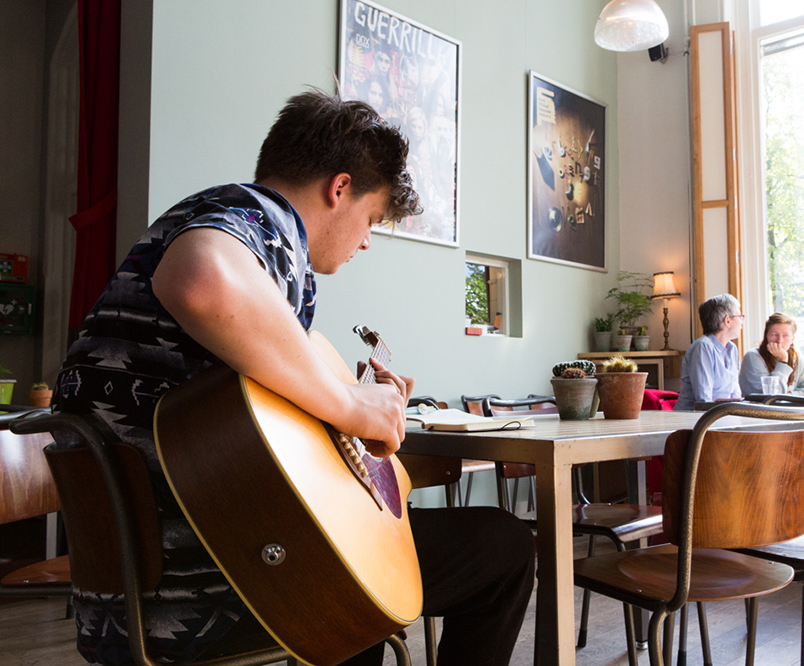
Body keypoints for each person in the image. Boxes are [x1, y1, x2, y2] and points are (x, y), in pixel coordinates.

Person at [53, 90, 534, 666]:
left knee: (365, 580)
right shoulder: (261, 217)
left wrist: (345, 401)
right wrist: (352, 408)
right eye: (372, 218)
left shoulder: (184, 228)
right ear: (339, 188)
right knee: (505, 546)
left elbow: (242, 424)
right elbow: (201, 279)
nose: (365, 241)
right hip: (217, 588)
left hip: (125, 600)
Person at [675, 293, 744, 411]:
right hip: (693, 419)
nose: (742, 321)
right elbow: (704, 401)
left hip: (721, 416)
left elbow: (735, 396)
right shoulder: (703, 347)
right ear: (727, 321)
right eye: (740, 316)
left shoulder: (732, 349)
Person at [739, 312, 804, 397]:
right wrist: (783, 361)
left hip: (791, 409)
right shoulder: (752, 357)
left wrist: (789, 395)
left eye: (786, 335)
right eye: (774, 335)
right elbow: (771, 396)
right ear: (766, 336)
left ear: (792, 339)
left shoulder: (796, 356)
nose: (779, 340)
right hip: (760, 410)